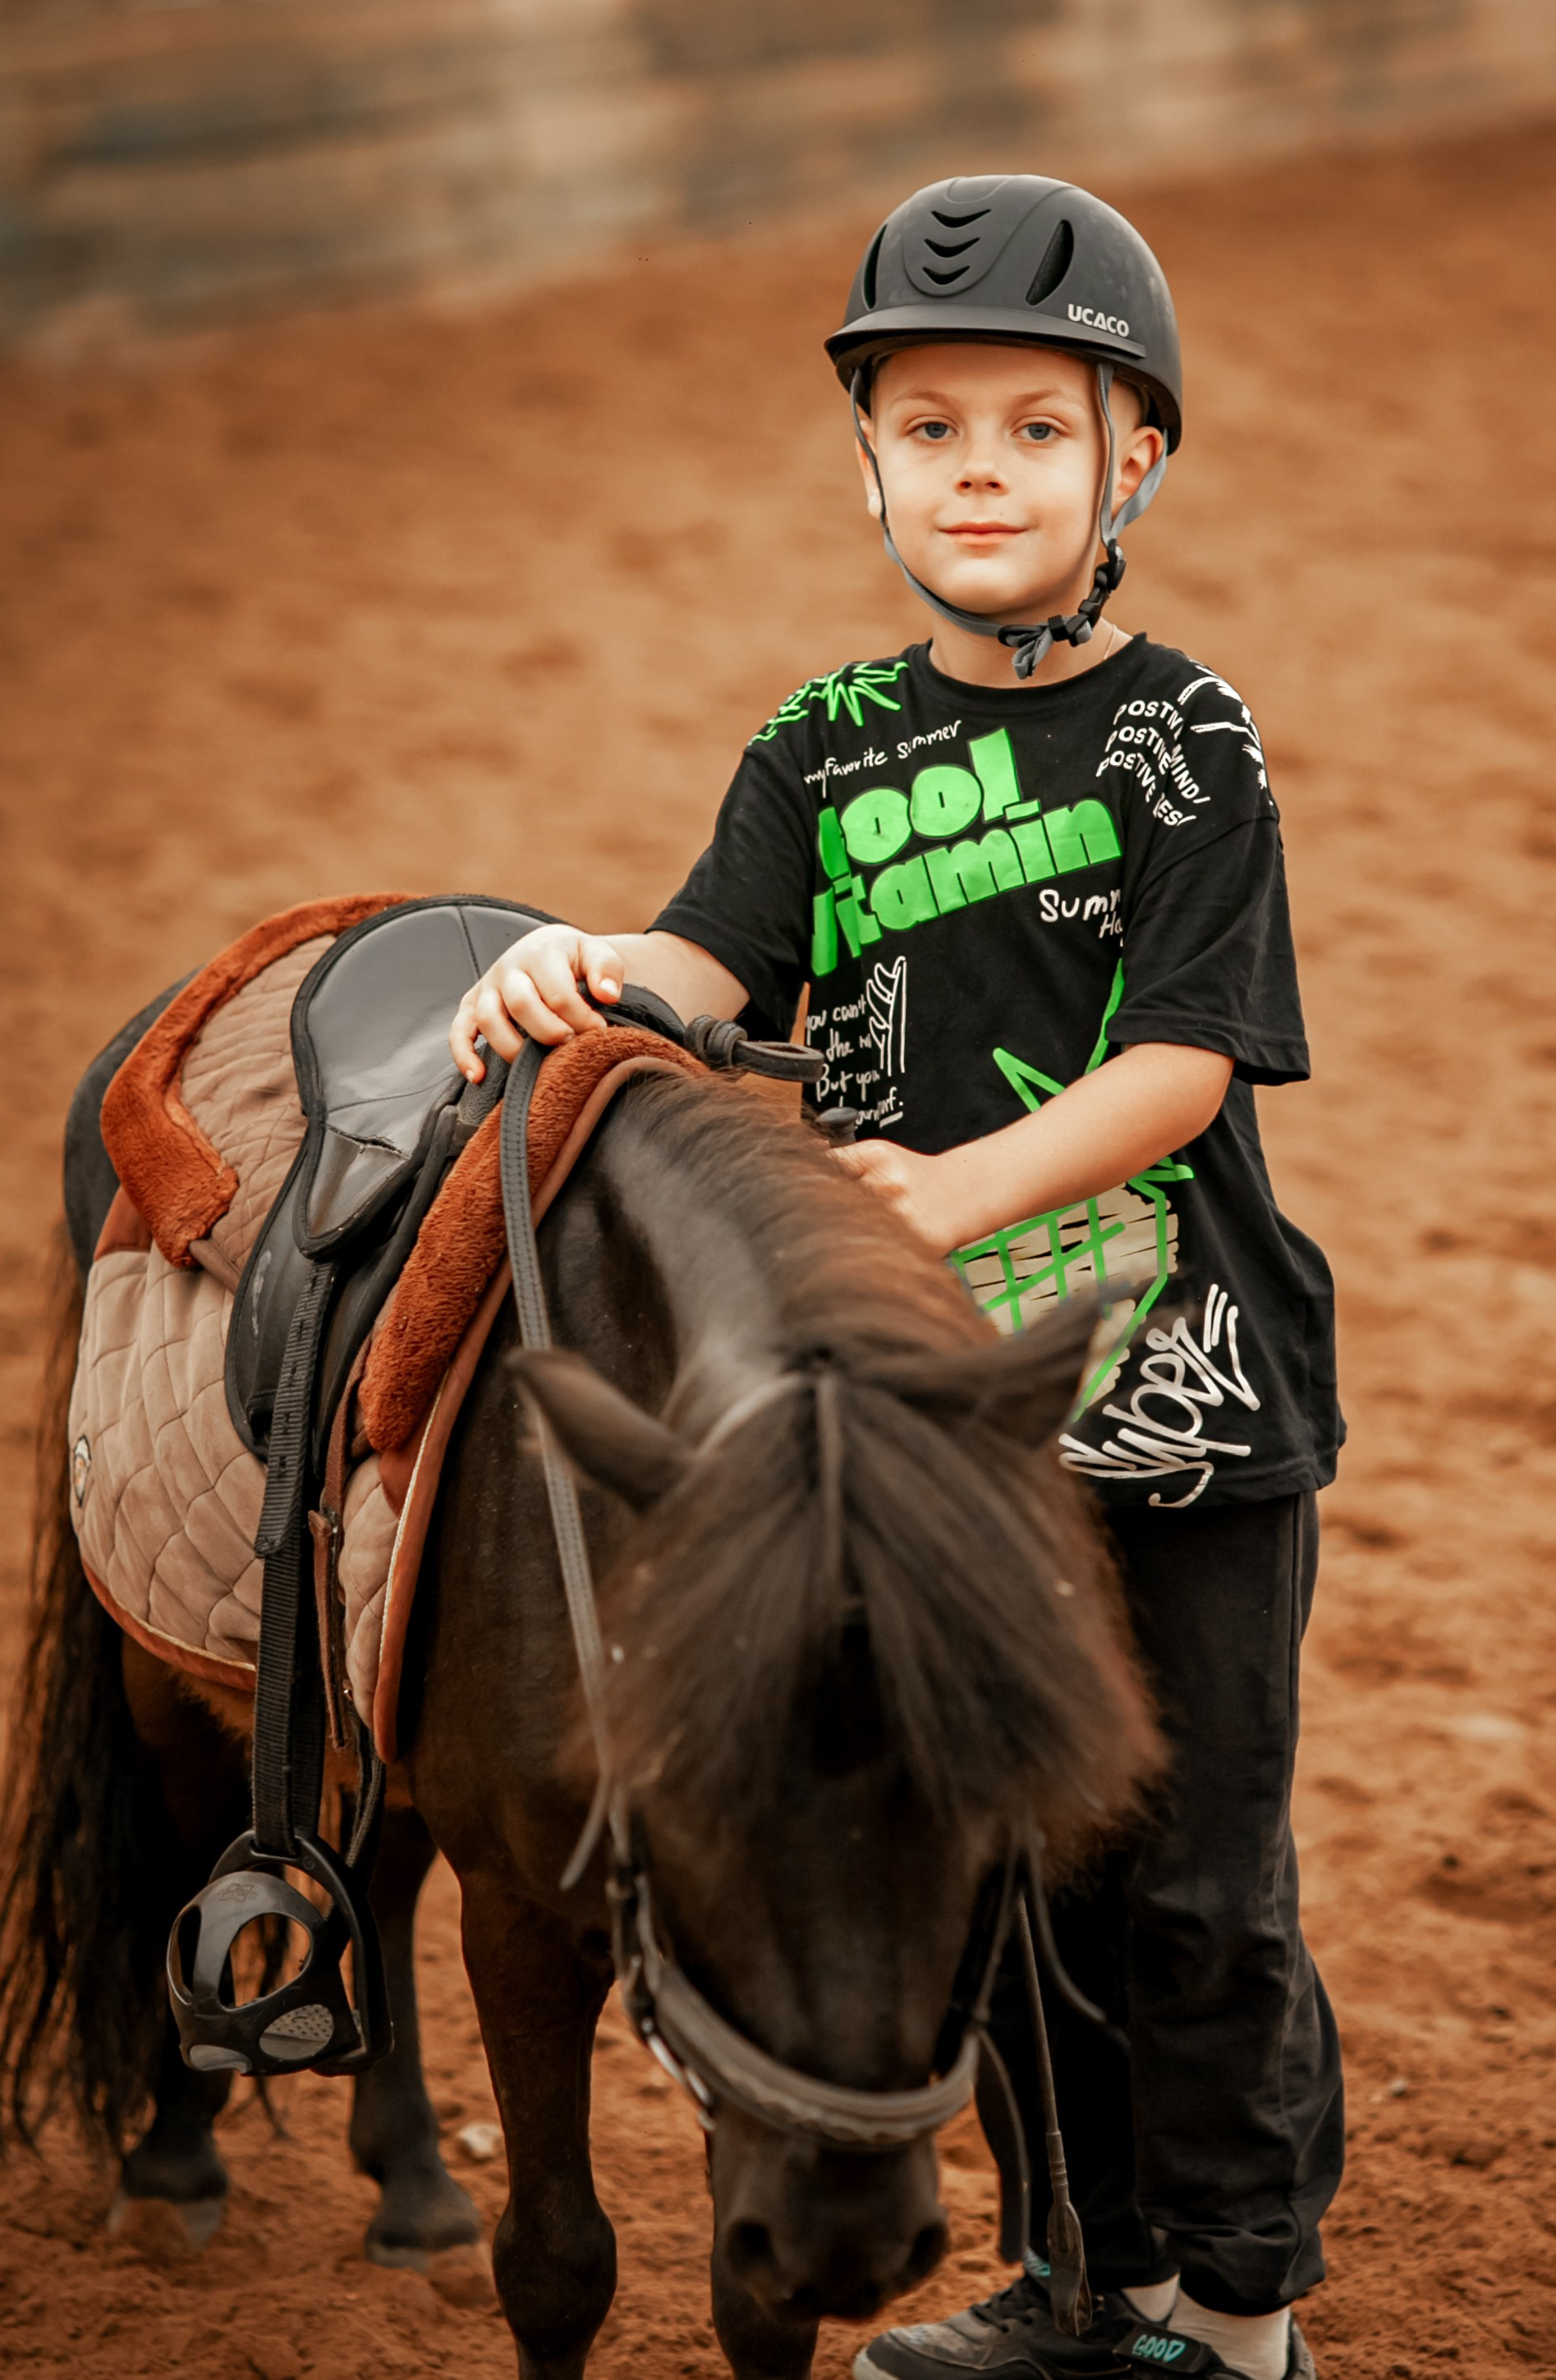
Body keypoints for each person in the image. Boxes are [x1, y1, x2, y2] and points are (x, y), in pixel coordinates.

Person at [449, 174, 1343, 2380]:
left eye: (1038, 429)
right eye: (929, 426)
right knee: (1005, 1884)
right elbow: (700, 959)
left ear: (1135, 460)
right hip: (957, 1439)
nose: (979, 471)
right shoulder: (822, 744)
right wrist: (580, 970)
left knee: (1199, 1895)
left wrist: (937, 1197)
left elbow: (1186, 1059)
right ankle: (1086, 2282)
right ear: (866, 463)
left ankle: (1236, 2326)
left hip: (1190, 1397)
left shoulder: (1185, 737)